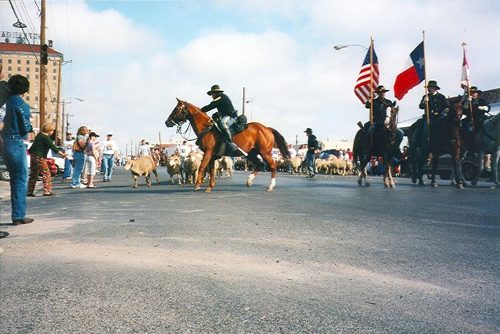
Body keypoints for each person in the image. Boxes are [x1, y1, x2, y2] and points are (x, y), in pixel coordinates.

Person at [0, 74, 35, 225]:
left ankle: (17, 214)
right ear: (25, 89)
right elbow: (25, 127)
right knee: (20, 179)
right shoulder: (21, 104)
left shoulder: (4, 101)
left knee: (14, 178)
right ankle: (19, 215)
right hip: (16, 142)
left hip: (4, 141)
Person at [27, 122, 66, 196]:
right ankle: (47, 191)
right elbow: (54, 147)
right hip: (39, 156)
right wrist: (63, 154)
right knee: (46, 173)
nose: (53, 132)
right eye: (52, 131)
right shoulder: (46, 138)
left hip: (33, 155)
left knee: (34, 174)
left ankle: (29, 191)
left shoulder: (39, 135)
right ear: (49, 131)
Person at [201, 85, 239, 153]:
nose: (212, 96)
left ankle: (231, 143)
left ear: (216, 93)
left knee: (222, 123)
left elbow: (210, 106)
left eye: (212, 94)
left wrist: (200, 111)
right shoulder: (221, 97)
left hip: (231, 116)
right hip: (226, 116)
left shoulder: (220, 97)